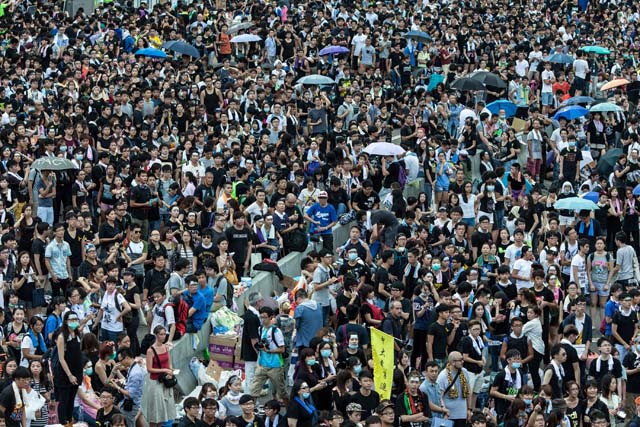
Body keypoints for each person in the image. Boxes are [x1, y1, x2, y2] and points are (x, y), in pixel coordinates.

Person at [248, 307, 287, 402]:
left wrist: (269, 351)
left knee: (282, 392)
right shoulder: (260, 329)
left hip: (275, 366)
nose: (263, 320)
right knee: (253, 391)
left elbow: (282, 349)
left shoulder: (276, 331)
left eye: (265, 317)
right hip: (262, 365)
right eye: (261, 317)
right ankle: (250, 412)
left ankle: (289, 411)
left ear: (271, 317)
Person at [141, 325, 176, 427]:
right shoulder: (150, 350)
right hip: (156, 382)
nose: (163, 336)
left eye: (165, 334)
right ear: (156, 335)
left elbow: (169, 363)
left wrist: (170, 370)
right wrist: (164, 370)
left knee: (163, 412)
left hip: (165, 380)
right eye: (161, 334)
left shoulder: (166, 347)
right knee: (155, 412)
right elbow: (149, 369)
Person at [54, 311, 84, 424]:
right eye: (71, 320)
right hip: (65, 373)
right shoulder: (62, 336)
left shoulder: (77, 334)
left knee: (72, 399)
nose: (74, 322)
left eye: (76, 319)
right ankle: (63, 422)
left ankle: (69, 420)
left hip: (77, 370)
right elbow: (61, 358)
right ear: (66, 321)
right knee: (64, 400)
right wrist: (69, 375)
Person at [436, 352, 471, 427]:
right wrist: (444, 410)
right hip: (448, 416)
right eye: (460, 360)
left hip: (462, 415)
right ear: (453, 362)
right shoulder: (443, 375)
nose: (463, 361)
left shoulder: (464, 372)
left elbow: (468, 392)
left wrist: (469, 409)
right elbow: (439, 396)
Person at [112, 348, 145, 427]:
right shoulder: (133, 367)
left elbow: (130, 394)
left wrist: (117, 387)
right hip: (130, 403)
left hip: (131, 405)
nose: (120, 363)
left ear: (127, 357)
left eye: (121, 360)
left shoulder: (135, 373)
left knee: (129, 424)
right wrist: (121, 383)